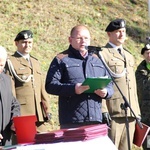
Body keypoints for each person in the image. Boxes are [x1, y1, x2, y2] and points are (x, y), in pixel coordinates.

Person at [45, 25, 114, 129]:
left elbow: (110, 84)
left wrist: (106, 92)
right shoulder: (61, 59)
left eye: (86, 38)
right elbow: (50, 85)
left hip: (95, 119)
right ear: (70, 40)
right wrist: (73, 89)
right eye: (79, 38)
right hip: (72, 120)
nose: (83, 41)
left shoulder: (98, 59)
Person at [100, 19, 141, 150]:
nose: (122, 34)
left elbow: (132, 86)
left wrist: (137, 110)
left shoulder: (129, 56)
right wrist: (103, 110)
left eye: (123, 31)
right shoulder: (102, 54)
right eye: (118, 32)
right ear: (109, 34)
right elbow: (100, 83)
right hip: (114, 112)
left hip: (131, 112)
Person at [5, 30, 51, 133]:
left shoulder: (35, 62)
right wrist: (14, 115)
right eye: (24, 42)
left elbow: (41, 89)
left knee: (44, 143)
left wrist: (47, 109)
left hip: (39, 114)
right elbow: (10, 91)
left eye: (30, 42)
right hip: (23, 113)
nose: (27, 45)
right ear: (16, 43)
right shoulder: (11, 62)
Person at [0, 46, 20, 147]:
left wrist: (15, 120)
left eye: (1, 65)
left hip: (6, 140)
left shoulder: (6, 80)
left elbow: (14, 104)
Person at [135, 44, 150, 150]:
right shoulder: (139, 73)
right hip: (146, 115)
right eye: (147, 53)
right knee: (148, 145)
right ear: (143, 55)